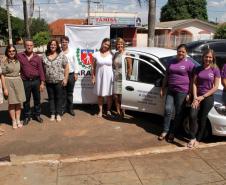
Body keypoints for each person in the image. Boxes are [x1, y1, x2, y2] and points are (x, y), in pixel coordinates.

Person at [159, 44, 195, 142]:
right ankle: (165, 130)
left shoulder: (189, 64)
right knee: (167, 109)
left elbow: (193, 80)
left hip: (182, 92)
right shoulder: (171, 62)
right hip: (171, 90)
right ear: (177, 52)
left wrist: (190, 93)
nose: (181, 53)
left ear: (186, 53)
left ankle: (173, 132)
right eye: (179, 51)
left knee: (179, 113)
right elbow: (166, 76)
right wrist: (162, 88)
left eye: (183, 52)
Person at [188, 49, 220, 148]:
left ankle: (198, 139)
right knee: (192, 115)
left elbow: (216, 87)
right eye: (206, 57)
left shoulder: (215, 69)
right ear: (203, 57)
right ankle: (192, 137)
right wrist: (195, 97)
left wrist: (203, 96)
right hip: (197, 97)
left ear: (213, 58)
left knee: (202, 118)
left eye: (210, 57)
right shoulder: (198, 68)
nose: (208, 59)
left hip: (207, 97)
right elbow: (194, 83)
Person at [17, 39, 45, 125]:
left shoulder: (37, 57)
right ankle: (27, 116)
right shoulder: (19, 56)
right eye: (27, 45)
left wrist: (42, 83)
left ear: (33, 46)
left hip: (36, 81)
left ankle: (37, 115)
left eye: (31, 45)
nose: (29, 47)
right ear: (24, 46)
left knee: (37, 99)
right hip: (25, 81)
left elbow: (41, 70)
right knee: (26, 100)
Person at [43, 39, 69, 122]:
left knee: (59, 98)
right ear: (49, 45)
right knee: (51, 98)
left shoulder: (61, 55)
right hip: (48, 81)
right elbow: (42, 68)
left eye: (54, 44)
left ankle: (58, 114)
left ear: (57, 46)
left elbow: (67, 67)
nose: (53, 46)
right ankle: (52, 113)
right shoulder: (45, 55)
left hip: (59, 81)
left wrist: (65, 78)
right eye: (51, 44)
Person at [1, 45, 26, 129]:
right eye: (9, 51)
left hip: (18, 82)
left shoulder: (18, 60)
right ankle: (13, 121)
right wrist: (4, 88)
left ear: (15, 51)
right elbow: (2, 75)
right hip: (9, 82)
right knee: (11, 103)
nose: (11, 52)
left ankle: (18, 120)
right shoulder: (4, 61)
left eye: (13, 51)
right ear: (7, 52)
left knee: (18, 103)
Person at [91, 38, 113, 117]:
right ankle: (100, 111)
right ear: (102, 43)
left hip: (109, 77)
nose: (106, 46)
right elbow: (92, 67)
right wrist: (93, 77)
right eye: (105, 44)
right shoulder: (96, 54)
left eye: (108, 45)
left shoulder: (111, 54)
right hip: (99, 77)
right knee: (100, 95)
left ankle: (108, 111)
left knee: (109, 95)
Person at [113, 37, 132, 119]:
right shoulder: (116, 54)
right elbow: (113, 65)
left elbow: (130, 67)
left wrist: (128, 77)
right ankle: (118, 112)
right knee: (116, 96)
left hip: (123, 78)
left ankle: (123, 112)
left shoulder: (127, 54)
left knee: (122, 96)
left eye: (121, 44)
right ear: (116, 45)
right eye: (118, 44)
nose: (119, 45)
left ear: (123, 45)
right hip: (116, 77)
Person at [61, 36, 79, 116]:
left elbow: (76, 62)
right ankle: (63, 109)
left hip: (71, 75)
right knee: (62, 93)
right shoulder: (58, 52)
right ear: (61, 43)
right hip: (61, 75)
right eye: (63, 42)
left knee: (70, 93)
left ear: (68, 43)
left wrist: (76, 73)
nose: (64, 43)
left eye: (66, 42)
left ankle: (70, 109)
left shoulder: (72, 51)